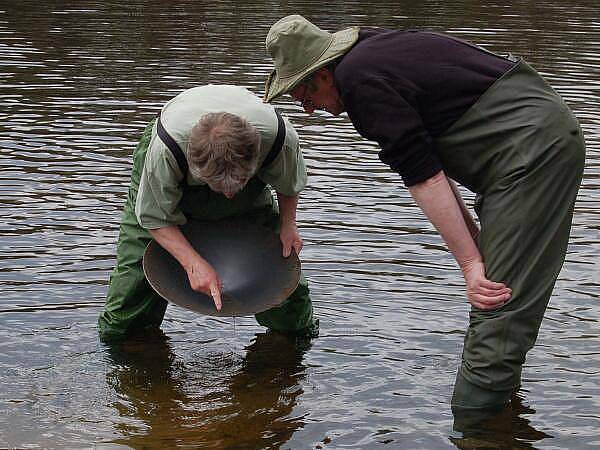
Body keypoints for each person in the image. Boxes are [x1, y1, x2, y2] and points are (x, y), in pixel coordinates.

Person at [263, 15, 585, 414]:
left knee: (495, 303)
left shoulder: (360, 83)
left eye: (305, 96)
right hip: (525, 147)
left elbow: (426, 178)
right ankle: (506, 412)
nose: (309, 110)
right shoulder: (374, 51)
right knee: (493, 284)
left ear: (324, 74)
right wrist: (473, 247)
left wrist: (470, 266)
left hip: (532, 155)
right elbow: (432, 164)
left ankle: (476, 429)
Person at [98, 84, 317, 341]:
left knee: (284, 286)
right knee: (131, 295)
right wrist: (192, 263)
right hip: (169, 179)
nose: (227, 198)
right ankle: (126, 352)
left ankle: (291, 347)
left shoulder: (280, 138)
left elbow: (289, 182)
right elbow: (153, 217)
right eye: (218, 188)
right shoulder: (165, 152)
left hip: (251, 192)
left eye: (234, 189)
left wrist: (288, 224)